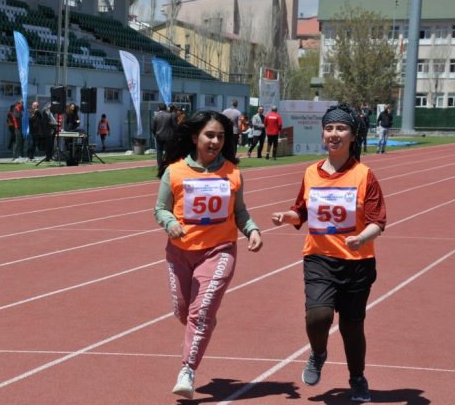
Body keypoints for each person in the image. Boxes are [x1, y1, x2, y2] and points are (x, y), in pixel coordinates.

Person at [271, 105, 386, 403]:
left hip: (358, 262)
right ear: (323, 134)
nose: (334, 134)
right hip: (319, 258)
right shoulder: (311, 172)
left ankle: (357, 378)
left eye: (341, 129)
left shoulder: (364, 175)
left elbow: (378, 221)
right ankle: (318, 352)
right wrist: (286, 216)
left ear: (353, 136)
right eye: (330, 128)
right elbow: (301, 211)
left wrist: (361, 237)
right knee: (318, 317)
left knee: (351, 326)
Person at [154, 110, 263, 399]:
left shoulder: (232, 173)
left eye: (220, 137)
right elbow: (160, 209)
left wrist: (252, 230)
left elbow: (240, 211)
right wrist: (170, 223)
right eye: (210, 135)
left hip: (219, 251)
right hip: (180, 252)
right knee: (183, 311)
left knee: (199, 313)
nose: (215, 141)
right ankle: (203, 323)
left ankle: (187, 370)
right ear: (195, 137)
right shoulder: (174, 172)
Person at [151, 103, 175, 170]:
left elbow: (152, 128)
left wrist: (155, 134)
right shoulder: (170, 115)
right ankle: (168, 164)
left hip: (159, 136)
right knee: (168, 151)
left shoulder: (155, 117)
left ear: (158, 108)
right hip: (169, 136)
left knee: (159, 152)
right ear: (166, 108)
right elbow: (174, 126)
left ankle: (160, 166)